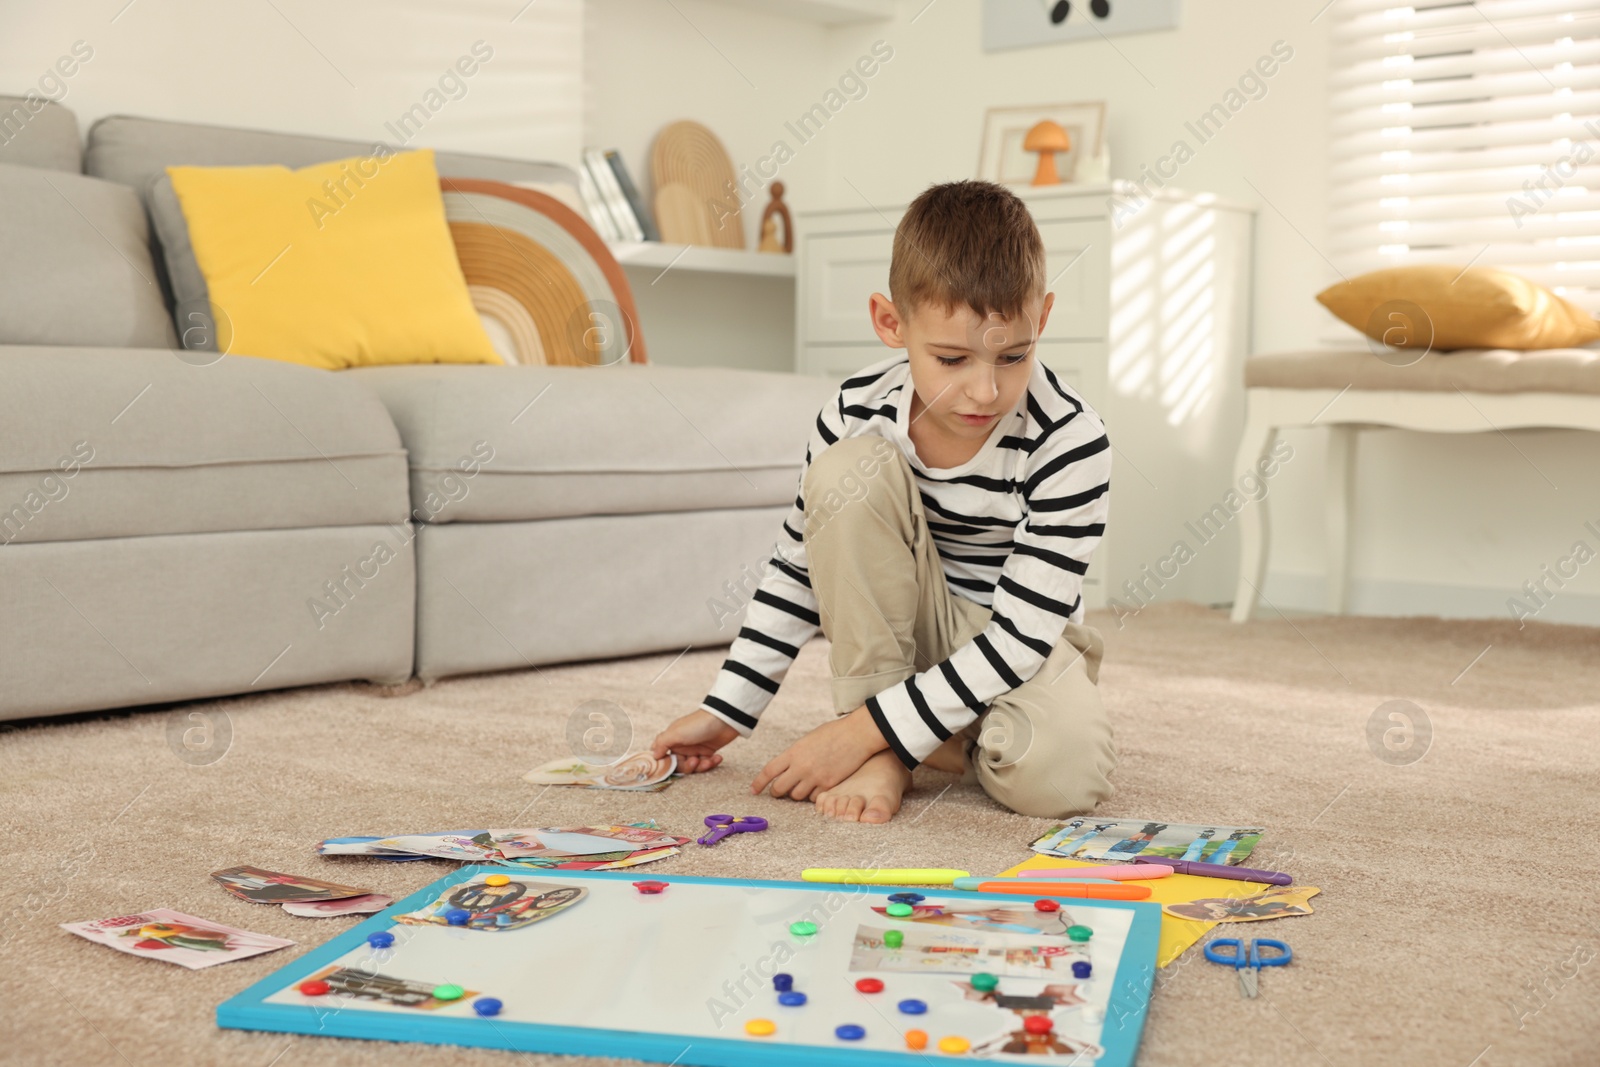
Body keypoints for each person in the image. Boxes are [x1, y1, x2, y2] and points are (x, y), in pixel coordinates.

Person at [650, 179, 1116, 824]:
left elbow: (1023, 635)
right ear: (890, 323)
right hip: (901, 629)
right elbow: (796, 568)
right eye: (951, 359)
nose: (984, 390)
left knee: (1059, 785)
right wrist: (728, 708)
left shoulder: (1070, 438)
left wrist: (859, 730)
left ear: (1043, 318)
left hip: (1013, 637)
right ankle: (897, 743)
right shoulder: (853, 411)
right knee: (849, 472)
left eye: (1013, 356)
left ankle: (905, 732)